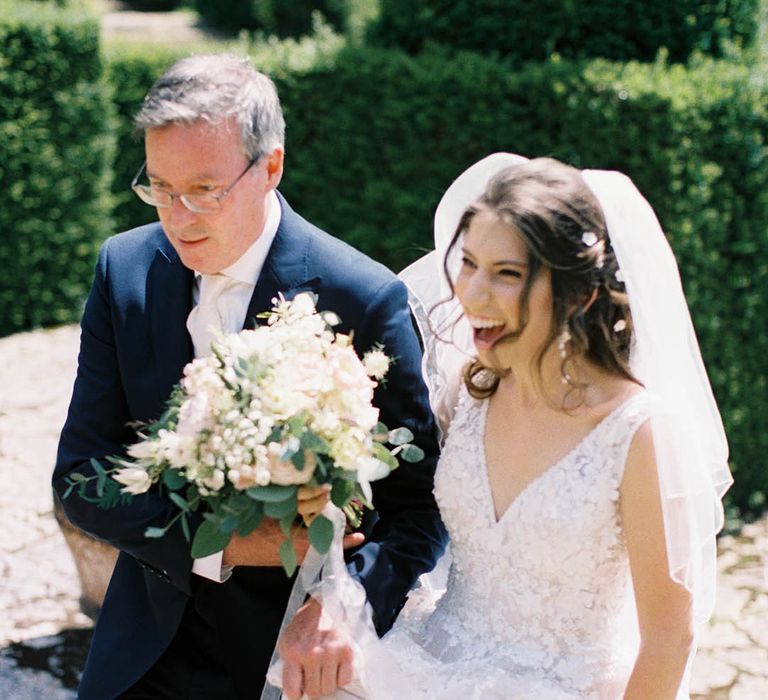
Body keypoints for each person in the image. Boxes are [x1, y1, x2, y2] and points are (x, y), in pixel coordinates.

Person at [52, 54, 447, 700]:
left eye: (204, 190)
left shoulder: (364, 297)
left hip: (290, 660)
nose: (178, 217)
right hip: (143, 650)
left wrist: (340, 611)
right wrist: (226, 546)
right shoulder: (121, 269)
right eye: (159, 188)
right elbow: (79, 477)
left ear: (271, 167)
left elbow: (419, 510)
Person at [275, 154, 732, 699]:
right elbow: (398, 506)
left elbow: (669, 638)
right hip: (425, 664)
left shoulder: (639, 434)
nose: (473, 294)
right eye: (468, 264)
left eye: (507, 275)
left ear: (579, 293)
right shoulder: (465, 391)